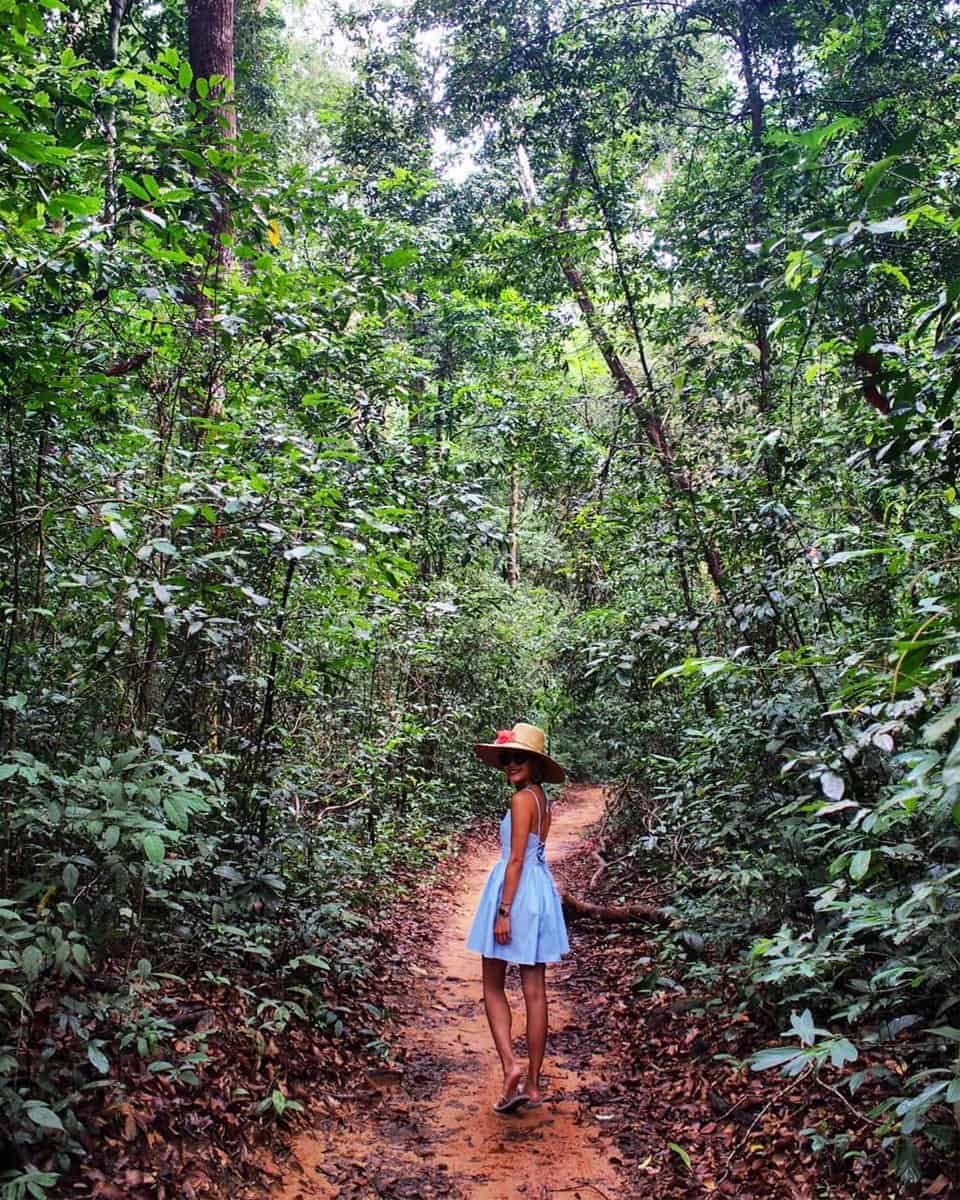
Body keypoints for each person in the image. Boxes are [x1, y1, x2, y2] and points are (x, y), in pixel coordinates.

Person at [465, 722, 570, 1114]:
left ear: (535, 763)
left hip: (517, 890)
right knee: (535, 990)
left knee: (493, 984)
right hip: (540, 890)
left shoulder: (521, 801)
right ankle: (534, 1084)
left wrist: (503, 910)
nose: (511, 763)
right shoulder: (542, 799)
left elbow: (515, 859)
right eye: (507, 757)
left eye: (519, 757)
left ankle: (511, 1067)